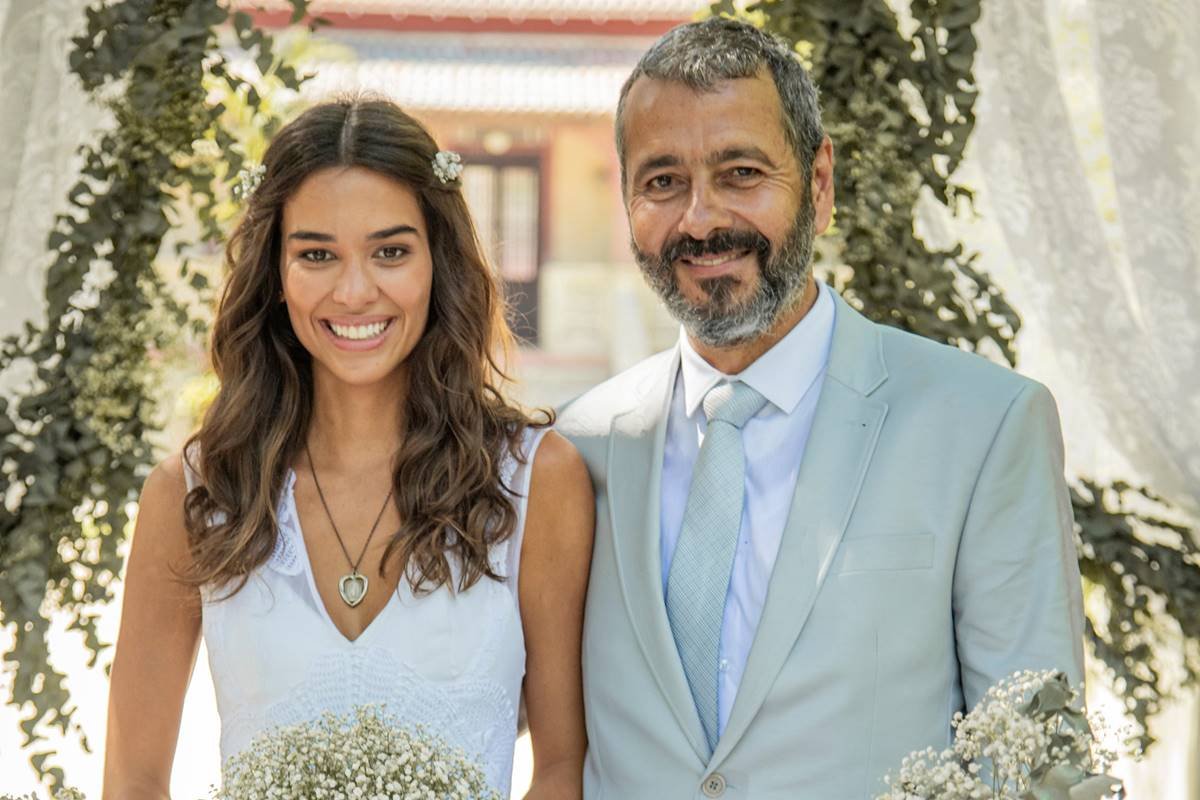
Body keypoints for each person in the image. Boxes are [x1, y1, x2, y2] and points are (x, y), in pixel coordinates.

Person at [558, 18, 1085, 799]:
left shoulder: (985, 426)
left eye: (741, 172)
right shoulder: (577, 445)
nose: (700, 220)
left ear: (821, 185)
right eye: (663, 181)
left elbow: (1036, 760)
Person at [102, 98, 593, 799]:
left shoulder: (538, 481)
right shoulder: (193, 498)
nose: (355, 291)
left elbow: (561, 767)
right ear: (275, 272)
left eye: (390, 252)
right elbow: (132, 781)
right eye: (317, 255)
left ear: (438, 261)